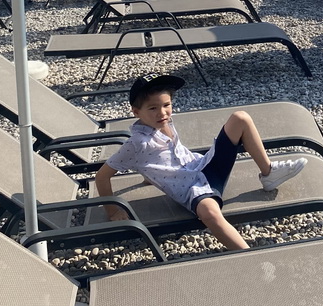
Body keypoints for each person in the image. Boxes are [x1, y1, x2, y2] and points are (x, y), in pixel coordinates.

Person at [95, 73, 306, 250]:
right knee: (209, 214)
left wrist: (149, 176)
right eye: (153, 108)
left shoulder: (163, 123)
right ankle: (249, 257)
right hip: (195, 190)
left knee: (240, 118)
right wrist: (112, 211)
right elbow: (102, 176)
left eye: (166, 105)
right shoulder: (136, 143)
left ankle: (268, 173)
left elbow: (156, 157)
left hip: (206, 167)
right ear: (136, 112)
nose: (162, 113)